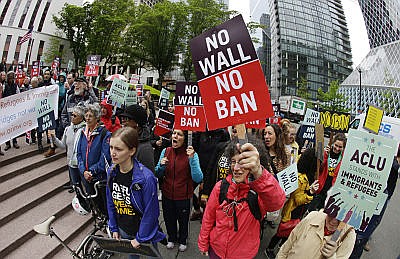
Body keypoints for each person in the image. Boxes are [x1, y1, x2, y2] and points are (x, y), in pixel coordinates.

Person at [198, 138, 286, 259]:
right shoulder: (221, 187)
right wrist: (203, 243)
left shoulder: (259, 192)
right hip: (216, 251)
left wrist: (259, 173)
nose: (236, 168)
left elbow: (276, 203)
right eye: (233, 161)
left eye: (243, 162)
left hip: (244, 255)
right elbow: (208, 217)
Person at [106, 127, 166, 259]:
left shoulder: (146, 178)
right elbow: (111, 201)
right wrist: (114, 227)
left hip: (144, 232)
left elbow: (151, 212)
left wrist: (140, 238)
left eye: (119, 149)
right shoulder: (112, 171)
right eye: (111, 147)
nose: (113, 153)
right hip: (125, 229)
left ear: (132, 151)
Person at [265, 148, 319, 258]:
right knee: (282, 232)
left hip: (300, 212)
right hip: (292, 211)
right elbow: (298, 199)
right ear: (312, 163)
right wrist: (310, 192)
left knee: (290, 232)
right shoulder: (300, 178)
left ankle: (282, 246)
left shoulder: (310, 174)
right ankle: (270, 248)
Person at [155, 129, 203, 252]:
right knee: (169, 218)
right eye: (174, 133)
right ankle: (171, 237)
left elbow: (198, 177)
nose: (175, 136)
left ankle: (183, 239)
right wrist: (161, 165)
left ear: (185, 138)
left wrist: (192, 159)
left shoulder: (192, 154)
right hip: (167, 194)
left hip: (183, 196)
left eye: (179, 134)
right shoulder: (166, 151)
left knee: (183, 220)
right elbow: (157, 173)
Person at [349, 146, 400, 258]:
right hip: (360, 206)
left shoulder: (392, 168)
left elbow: (376, 220)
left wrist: (363, 237)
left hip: (378, 202)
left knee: (359, 242)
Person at [76, 103, 111, 215]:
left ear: (97, 117)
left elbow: (105, 157)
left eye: (90, 116)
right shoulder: (82, 133)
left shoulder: (105, 134)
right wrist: (83, 171)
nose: (87, 118)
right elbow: (79, 154)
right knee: (94, 202)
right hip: (86, 177)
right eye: (86, 115)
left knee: (105, 204)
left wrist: (92, 171)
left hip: (99, 177)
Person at [276, 210, 356, 259]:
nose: (333, 221)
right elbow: (287, 246)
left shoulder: (349, 235)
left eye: (340, 218)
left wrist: (331, 256)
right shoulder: (313, 216)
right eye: (331, 214)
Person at [50, 105, 86, 191]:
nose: (72, 117)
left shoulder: (85, 130)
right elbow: (62, 145)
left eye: (75, 116)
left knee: (86, 186)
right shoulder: (68, 129)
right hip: (71, 163)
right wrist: (54, 138)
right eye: (72, 115)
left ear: (81, 118)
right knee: (76, 186)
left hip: (82, 164)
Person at [309, 133, 346, 211]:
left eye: (340, 147)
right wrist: (325, 155)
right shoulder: (326, 152)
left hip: (330, 191)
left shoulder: (343, 158)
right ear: (333, 143)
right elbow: (319, 168)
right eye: (336, 145)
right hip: (320, 188)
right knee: (311, 211)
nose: (337, 148)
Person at [120, 104, 155, 173]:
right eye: (122, 118)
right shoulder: (123, 140)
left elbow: (148, 177)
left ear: (137, 124)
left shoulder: (145, 149)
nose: (123, 122)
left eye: (126, 119)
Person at [3, 71, 20, 150]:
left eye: (12, 78)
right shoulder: (4, 86)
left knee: (14, 126)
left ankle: (15, 142)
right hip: (6, 110)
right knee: (7, 127)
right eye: (10, 78)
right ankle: (7, 143)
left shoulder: (16, 86)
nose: (11, 80)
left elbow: (18, 95)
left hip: (14, 109)